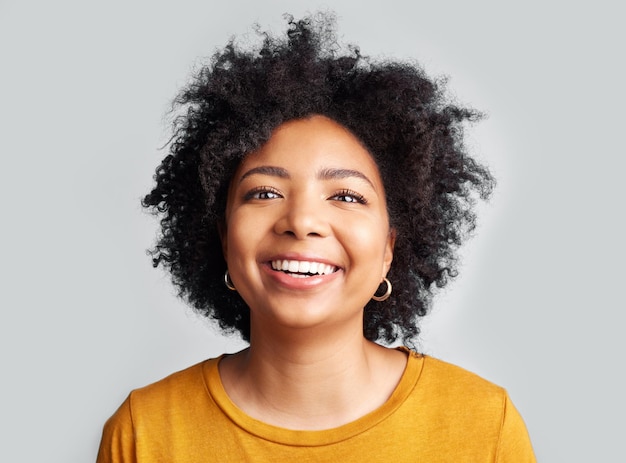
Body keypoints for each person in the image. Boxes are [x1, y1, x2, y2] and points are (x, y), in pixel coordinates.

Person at [97, 13, 535, 462]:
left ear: (389, 247)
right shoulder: (145, 431)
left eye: (346, 195)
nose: (302, 221)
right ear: (225, 238)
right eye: (264, 192)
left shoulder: (483, 425)